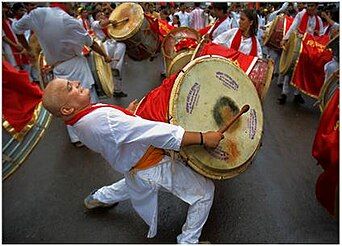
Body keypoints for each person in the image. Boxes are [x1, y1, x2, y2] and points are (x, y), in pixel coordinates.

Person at [42, 77, 224, 243]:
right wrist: (202, 138)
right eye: (70, 87)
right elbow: (158, 133)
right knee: (205, 192)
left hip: (132, 166)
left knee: (133, 183)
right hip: (152, 166)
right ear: (67, 109)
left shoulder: (79, 121)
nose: (75, 82)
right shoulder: (103, 121)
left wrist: (125, 115)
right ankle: (188, 241)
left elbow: (112, 131)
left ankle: (99, 198)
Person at [12, 3, 112, 147]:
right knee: (88, 96)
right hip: (76, 64)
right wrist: (105, 56)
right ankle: (95, 133)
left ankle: (76, 138)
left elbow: (17, 29)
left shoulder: (36, 15)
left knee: (65, 102)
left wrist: (27, 48)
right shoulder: (71, 21)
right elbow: (91, 43)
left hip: (58, 67)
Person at [91, 11, 127, 97]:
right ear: (95, 18)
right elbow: (102, 24)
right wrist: (110, 21)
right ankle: (108, 88)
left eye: (102, 14)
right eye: (99, 15)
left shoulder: (111, 24)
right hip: (104, 46)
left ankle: (118, 90)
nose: (101, 15)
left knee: (122, 46)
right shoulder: (94, 23)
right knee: (107, 71)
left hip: (115, 44)